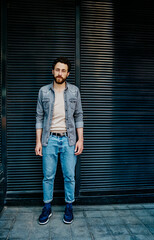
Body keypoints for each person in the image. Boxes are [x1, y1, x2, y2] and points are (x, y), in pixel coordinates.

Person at [35, 57, 83, 225]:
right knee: (48, 176)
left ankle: (69, 206)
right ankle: (47, 207)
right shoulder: (43, 91)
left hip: (69, 140)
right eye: (57, 69)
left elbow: (79, 116)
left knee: (69, 176)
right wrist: (38, 142)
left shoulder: (74, 91)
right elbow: (39, 117)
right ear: (53, 71)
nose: (60, 73)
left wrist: (80, 140)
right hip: (50, 140)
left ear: (68, 73)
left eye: (63, 70)